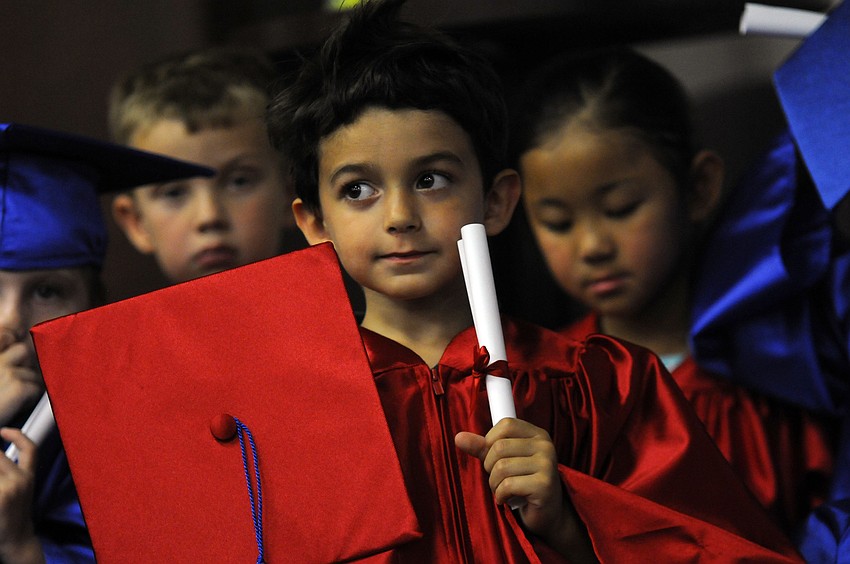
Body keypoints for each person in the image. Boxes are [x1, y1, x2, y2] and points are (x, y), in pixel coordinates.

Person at [266, 0, 802, 560]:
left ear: (497, 202)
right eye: (358, 190)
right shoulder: (301, 416)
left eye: (431, 179)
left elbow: (721, 551)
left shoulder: (602, 386)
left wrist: (571, 522)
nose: (400, 214)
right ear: (314, 223)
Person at [511, 45, 836, 535]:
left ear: (700, 187)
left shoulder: (782, 370)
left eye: (620, 208)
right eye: (557, 222)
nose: (592, 246)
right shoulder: (539, 388)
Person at [0, 121, 211, 563]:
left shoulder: (134, 440)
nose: (11, 322)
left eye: (46, 291)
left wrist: (20, 548)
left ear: (92, 306)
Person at [108, 47, 301, 285]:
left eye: (239, 181)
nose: (209, 216)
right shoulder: (127, 324)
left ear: (289, 193)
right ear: (136, 221)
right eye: (174, 192)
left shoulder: (333, 319)